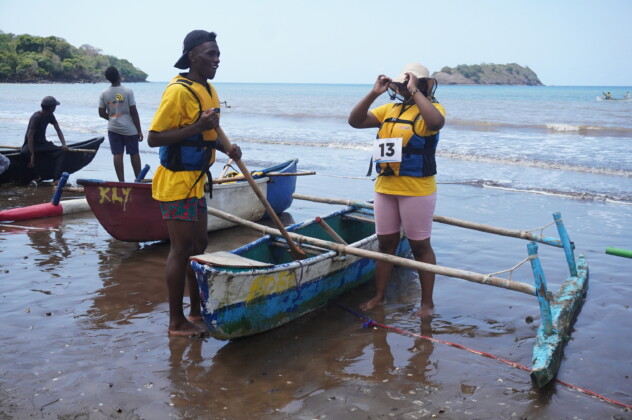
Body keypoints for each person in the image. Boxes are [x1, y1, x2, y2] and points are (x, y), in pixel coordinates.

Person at [147, 30, 242, 337]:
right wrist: (198, 126)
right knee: (180, 249)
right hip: (176, 182)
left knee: (199, 245)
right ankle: (176, 323)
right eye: (210, 54)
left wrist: (224, 148)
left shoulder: (208, 89)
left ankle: (195, 311)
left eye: (218, 54)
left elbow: (206, 136)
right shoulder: (178, 92)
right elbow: (154, 138)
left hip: (197, 180)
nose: (217, 59)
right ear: (192, 57)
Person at [348, 63, 446, 317]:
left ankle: (427, 304)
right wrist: (373, 93)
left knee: (420, 246)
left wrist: (416, 92)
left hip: (417, 190)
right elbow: (355, 121)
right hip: (385, 188)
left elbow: (435, 123)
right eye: (402, 84)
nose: (403, 88)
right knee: (386, 244)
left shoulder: (431, 109)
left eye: (409, 83)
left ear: (423, 85)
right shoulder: (389, 109)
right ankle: (379, 296)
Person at [98, 66, 144, 181]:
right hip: (129, 129)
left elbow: (101, 112)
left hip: (113, 128)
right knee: (134, 153)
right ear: (119, 76)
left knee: (117, 155)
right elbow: (133, 112)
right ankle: (138, 180)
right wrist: (139, 130)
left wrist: (111, 119)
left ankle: (121, 181)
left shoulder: (104, 93)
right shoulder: (127, 91)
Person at [21, 96, 69, 184]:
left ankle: (56, 178)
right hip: (32, 144)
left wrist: (64, 144)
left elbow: (58, 130)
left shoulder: (50, 115)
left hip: (42, 143)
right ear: (51, 108)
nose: (55, 108)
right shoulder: (36, 117)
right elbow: (30, 136)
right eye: (54, 106)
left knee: (61, 151)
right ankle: (37, 177)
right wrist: (32, 154)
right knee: (24, 153)